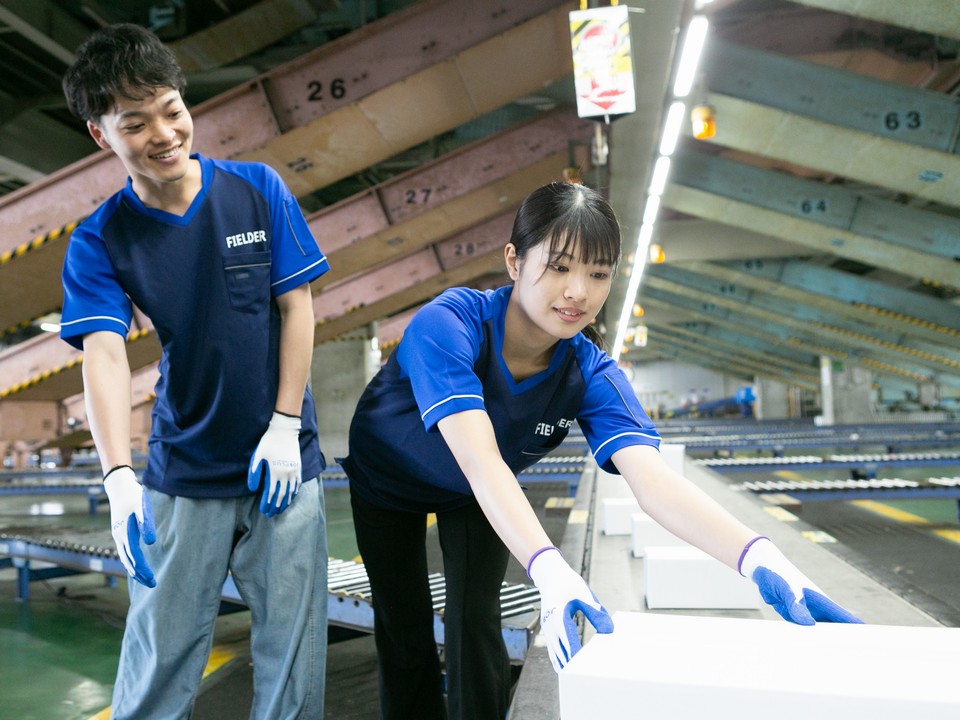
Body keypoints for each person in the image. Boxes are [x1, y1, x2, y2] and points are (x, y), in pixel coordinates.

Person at [341, 181, 861, 720]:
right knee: (404, 626)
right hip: (388, 484)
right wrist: (550, 568)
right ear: (514, 261)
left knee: (475, 622)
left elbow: (654, 484)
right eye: (560, 267)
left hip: (478, 495)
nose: (578, 292)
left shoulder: (590, 372)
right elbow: (479, 459)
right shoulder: (448, 325)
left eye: (598, 274)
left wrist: (760, 558)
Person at [59, 24, 329, 720]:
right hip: (184, 470)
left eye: (171, 109)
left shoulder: (255, 190)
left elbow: (297, 307)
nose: (164, 133)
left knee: (292, 652)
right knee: (161, 649)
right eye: (136, 122)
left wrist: (286, 422)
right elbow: (106, 354)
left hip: (283, 465)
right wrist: (118, 477)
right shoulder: (100, 238)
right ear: (102, 136)